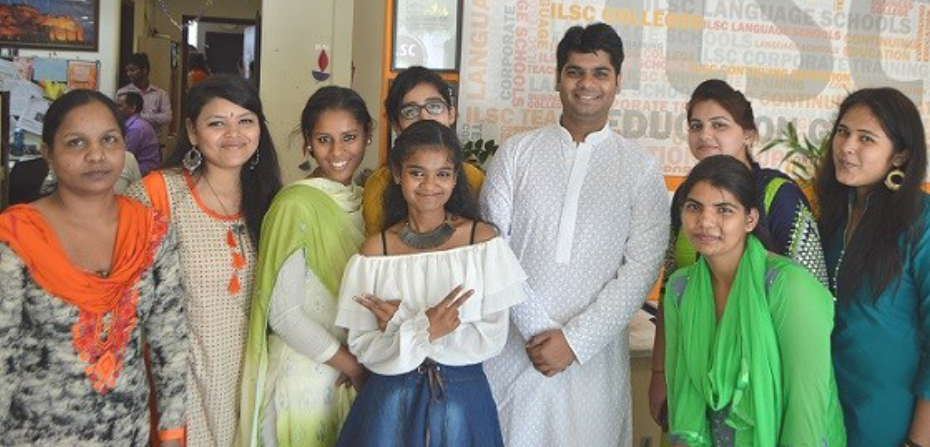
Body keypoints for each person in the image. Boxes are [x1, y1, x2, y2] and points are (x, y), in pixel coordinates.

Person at [480, 23, 669, 446]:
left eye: (600, 72)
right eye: (574, 71)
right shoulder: (517, 154)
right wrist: (536, 329)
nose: (587, 84)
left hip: (593, 360)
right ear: (558, 78)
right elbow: (493, 246)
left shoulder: (640, 168)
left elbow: (642, 267)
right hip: (515, 351)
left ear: (618, 81)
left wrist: (575, 341)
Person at [0, 89, 187, 445]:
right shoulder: (17, 238)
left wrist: (172, 432)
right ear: (48, 154)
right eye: (75, 143)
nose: (96, 155)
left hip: (126, 431)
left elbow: (170, 340)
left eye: (109, 140)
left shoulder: (150, 231)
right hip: (35, 435)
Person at [335, 120, 527, 446]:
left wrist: (405, 324)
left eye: (442, 173)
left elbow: (491, 337)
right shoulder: (374, 252)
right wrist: (426, 327)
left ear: (455, 178)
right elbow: (365, 346)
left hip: (462, 399)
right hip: (389, 401)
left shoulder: (481, 243)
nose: (430, 184)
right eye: (417, 172)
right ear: (397, 174)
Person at [648, 79, 827, 429]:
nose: (705, 135)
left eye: (719, 125)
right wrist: (659, 372)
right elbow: (672, 289)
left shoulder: (778, 194)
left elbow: (813, 292)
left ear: (748, 134)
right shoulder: (687, 195)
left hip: (769, 376)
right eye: (696, 126)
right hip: (697, 374)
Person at [126, 74, 283, 446]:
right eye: (217, 123)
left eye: (246, 120)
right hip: (181, 387)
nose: (234, 133)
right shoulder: (159, 194)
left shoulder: (271, 201)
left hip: (251, 380)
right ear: (192, 132)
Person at [663, 155, 845, 446]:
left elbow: (805, 403)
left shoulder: (788, 286)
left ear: (750, 219)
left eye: (724, 210)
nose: (705, 222)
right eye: (694, 207)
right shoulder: (680, 289)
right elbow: (683, 393)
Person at [239, 86, 372, 446]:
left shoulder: (366, 202)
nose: (338, 152)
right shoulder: (295, 204)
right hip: (303, 380)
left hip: (346, 381)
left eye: (349, 138)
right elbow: (284, 315)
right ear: (308, 145)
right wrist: (353, 366)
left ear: (368, 136)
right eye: (324, 139)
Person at [816, 88, 930, 446]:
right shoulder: (833, 217)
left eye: (866, 138)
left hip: (892, 419)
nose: (847, 146)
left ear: (899, 155)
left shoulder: (920, 221)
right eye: (842, 132)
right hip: (828, 409)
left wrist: (920, 439)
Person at [363, 65, 485, 235]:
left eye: (434, 107)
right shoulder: (379, 185)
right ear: (396, 125)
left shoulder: (475, 179)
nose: (425, 117)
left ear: (451, 114)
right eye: (410, 111)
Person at [118, 52, 172, 133]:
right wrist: (154, 118)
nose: (129, 74)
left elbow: (167, 117)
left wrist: (139, 117)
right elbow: (119, 116)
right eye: (127, 71)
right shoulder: (123, 93)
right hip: (131, 139)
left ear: (144, 70)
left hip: (154, 141)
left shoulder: (160, 94)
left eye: (133, 70)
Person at [117, 90, 161, 175]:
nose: (116, 109)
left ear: (133, 108)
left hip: (144, 173)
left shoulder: (136, 128)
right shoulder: (136, 124)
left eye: (120, 106)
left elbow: (124, 155)